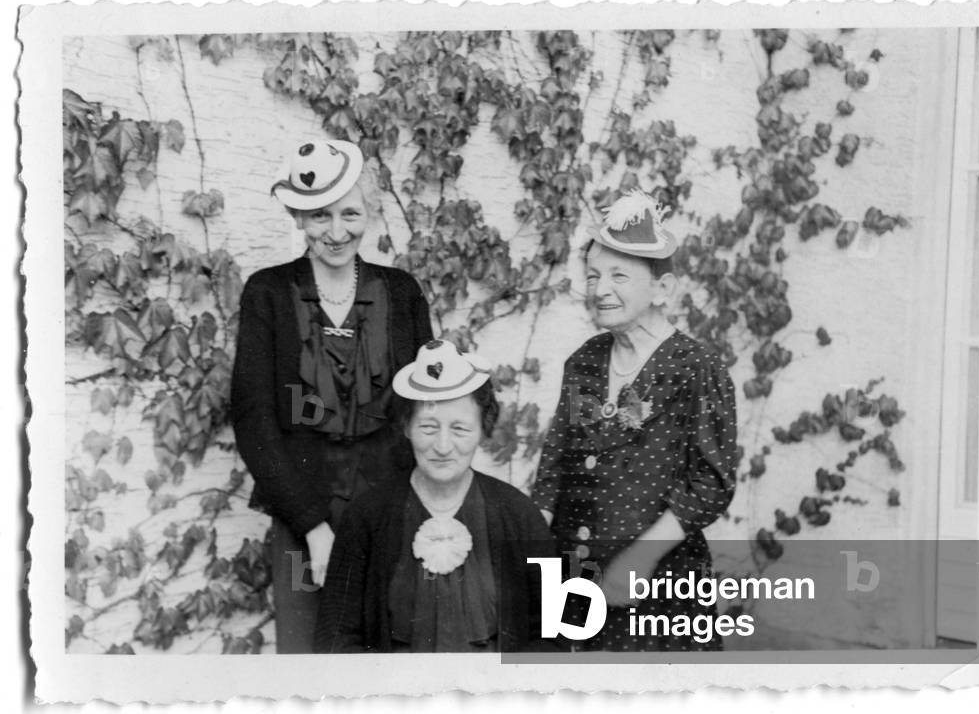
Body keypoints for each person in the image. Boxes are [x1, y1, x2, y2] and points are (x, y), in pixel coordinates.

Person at [230, 140, 433, 653]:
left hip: (391, 511)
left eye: (350, 213)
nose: (336, 231)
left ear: (372, 213)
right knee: (308, 655)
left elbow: (425, 406)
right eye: (320, 215)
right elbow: (255, 419)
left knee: (394, 652)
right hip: (302, 516)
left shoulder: (402, 292)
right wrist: (314, 528)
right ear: (299, 218)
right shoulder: (268, 293)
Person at [531, 190, 738, 651]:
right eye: (593, 275)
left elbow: (711, 481)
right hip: (575, 571)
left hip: (658, 579)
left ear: (662, 289)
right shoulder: (584, 362)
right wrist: (529, 548)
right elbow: (556, 468)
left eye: (619, 275)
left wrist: (639, 560)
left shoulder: (697, 367)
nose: (600, 289)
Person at [314, 340, 555, 653]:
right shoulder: (366, 517)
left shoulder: (520, 516)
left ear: (483, 430)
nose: (443, 446)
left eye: (459, 429)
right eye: (428, 427)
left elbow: (555, 635)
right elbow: (337, 636)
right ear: (406, 427)